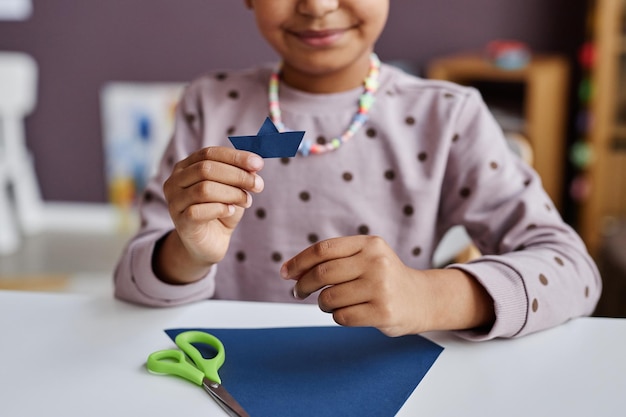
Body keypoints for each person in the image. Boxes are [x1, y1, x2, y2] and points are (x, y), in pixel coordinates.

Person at [114, 0, 601, 340]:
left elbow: (574, 272)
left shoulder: (448, 116)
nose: (319, 5)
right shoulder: (208, 103)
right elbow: (131, 278)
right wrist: (187, 252)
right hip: (222, 373)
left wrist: (429, 295)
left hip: (384, 373)